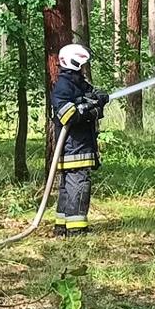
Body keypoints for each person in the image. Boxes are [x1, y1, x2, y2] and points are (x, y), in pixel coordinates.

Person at [49, 42, 109, 236]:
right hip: (73, 148)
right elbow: (68, 116)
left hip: (78, 146)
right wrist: (90, 108)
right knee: (78, 187)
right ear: (75, 63)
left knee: (68, 188)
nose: (84, 68)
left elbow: (89, 97)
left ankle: (62, 227)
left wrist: (97, 98)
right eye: (82, 65)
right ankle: (76, 230)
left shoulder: (76, 83)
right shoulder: (63, 86)